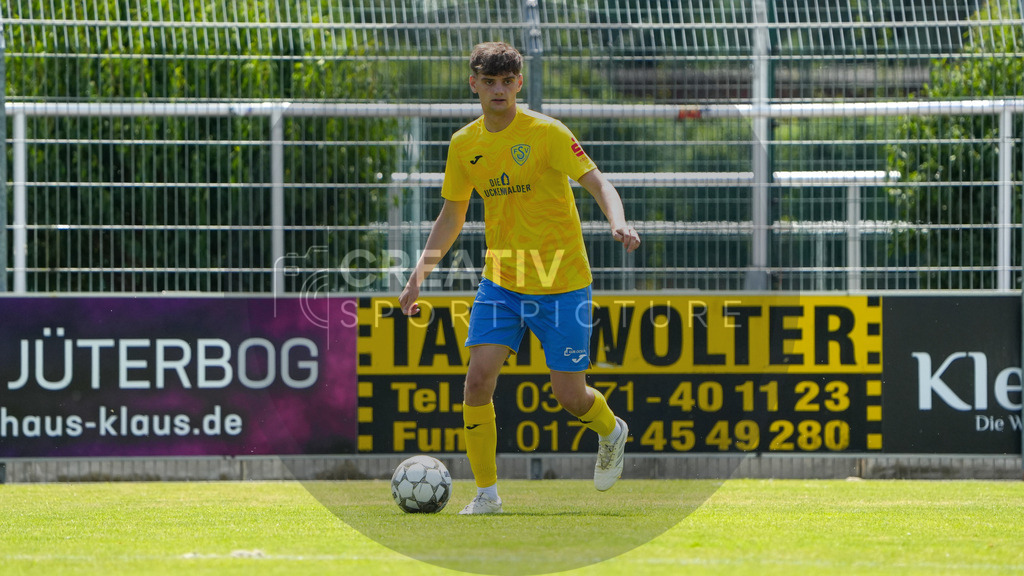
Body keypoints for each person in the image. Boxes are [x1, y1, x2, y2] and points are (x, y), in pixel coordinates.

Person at [398, 41, 641, 515]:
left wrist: (618, 220)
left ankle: (611, 431)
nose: (499, 91)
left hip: (562, 280)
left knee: (570, 396)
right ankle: (487, 495)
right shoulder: (464, 145)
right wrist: (417, 276)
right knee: (477, 381)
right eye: (489, 82)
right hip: (502, 282)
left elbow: (597, 182)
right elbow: (451, 216)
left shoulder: (547, 133)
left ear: (519, 84)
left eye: (507, 82)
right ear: (474, 84)